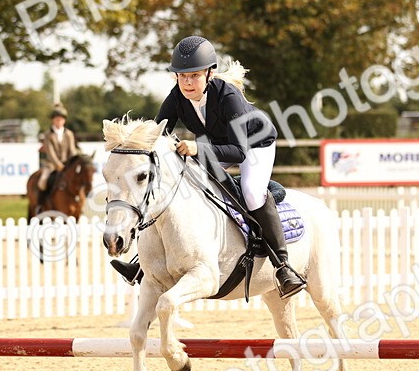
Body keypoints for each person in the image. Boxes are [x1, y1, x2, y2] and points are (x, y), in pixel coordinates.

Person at [110, 36, 306, 299]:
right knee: (178, 181)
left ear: (209, 73)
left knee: (250, 191)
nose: (187, 83)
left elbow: (238, 151)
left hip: (254, 146)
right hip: (215, 145)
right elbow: (156, 136)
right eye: (182, 77)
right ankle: (141, 264)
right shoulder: (176, 97)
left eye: (194, 76)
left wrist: (198, 149)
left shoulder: (228, 97)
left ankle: (283, 266)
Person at [34, 104, 79, 214]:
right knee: (42, 182)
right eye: (57, 119)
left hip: (66, 165)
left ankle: (78, 204)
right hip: (51, 165)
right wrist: (58, 165)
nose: (59, 121)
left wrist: (74, 160)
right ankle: (40, 205)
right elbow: (50, 152)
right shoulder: (48, 134)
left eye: (61, 119)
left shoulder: (69, 134)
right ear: (53, 121)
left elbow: (72, 150)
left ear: (64, 121)